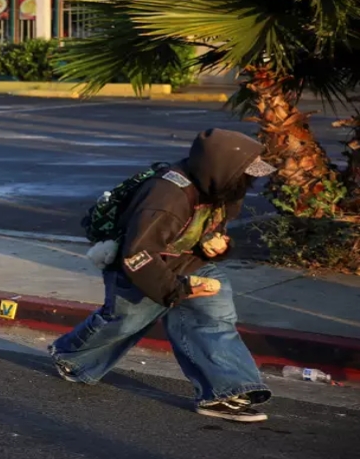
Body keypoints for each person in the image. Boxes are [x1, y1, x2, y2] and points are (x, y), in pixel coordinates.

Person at [50, 128, 278, 423]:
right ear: (223, 169)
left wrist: (217, 246)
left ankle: (227, 391)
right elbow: (137, 255)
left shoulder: (224, 189)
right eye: (246, 174)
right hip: (144, 266)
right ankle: (71, 355)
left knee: (214, 320)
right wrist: (175, 291)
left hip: (191, 263)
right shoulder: (168, 195)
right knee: (125, 322)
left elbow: (212, 228)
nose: (252, 181)